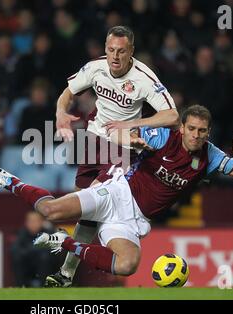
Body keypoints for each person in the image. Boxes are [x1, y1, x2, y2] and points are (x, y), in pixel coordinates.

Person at [0, 105, 233, 280]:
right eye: (191, 129)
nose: (196, 135)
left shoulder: (211, 155)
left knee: (128, 265)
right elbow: (122, 133)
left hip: (133, 221)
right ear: (182, 127)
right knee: (50, 210)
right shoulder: (163, 137)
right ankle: (9, 180)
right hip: (117, 192)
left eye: (202, 131)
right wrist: (132, 140)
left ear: (208, 132)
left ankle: (61, 242)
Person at [52, 25, 179, 287]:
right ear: (105, 48)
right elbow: (68, 92)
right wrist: (60, 113)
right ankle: (68, 272)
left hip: (122, 147)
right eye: (110, 50)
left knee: (91, 203)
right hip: (93, 138)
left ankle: (68, 271)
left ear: (131, 51)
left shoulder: (144, 78)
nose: (115, 57)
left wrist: (135, 126)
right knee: (85, 213)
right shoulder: (95, 67)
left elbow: (172, 116)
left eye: (121, 51)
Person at [10, 211, 59, 287]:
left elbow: (51, 250)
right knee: (17, 258)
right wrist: (31, 250)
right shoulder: (22, 233)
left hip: (46, 267)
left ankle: (45, 286)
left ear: (42, 222)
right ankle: (20, 286)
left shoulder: (49, 232)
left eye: (35, 221)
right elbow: (15, 249)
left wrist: (30, 250)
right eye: (30, 221)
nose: (32, 224)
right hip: (28, 265)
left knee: (44, 258)